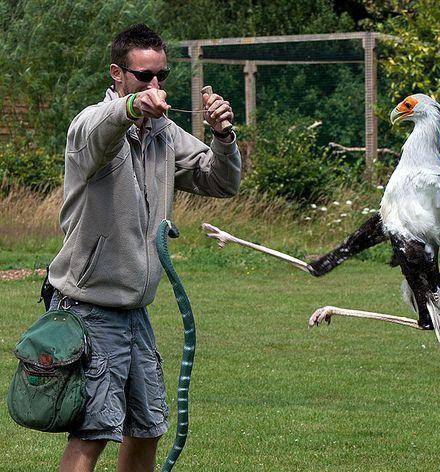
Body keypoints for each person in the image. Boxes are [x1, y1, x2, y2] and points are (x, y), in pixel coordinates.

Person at [46, 24, 241, 472]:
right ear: (118, 73)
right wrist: (133, 107)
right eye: (142, 77)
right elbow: (102, 126)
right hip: (89, 307)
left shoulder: (164, 132)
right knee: (93, 432)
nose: (155, 87)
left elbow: (220, 181)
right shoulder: (90, 126)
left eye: (162, 77)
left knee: (146, 426)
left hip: (135, 311)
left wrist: (223, 135)